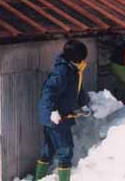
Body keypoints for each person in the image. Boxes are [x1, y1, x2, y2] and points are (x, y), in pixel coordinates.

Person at [35, 40, 91, 181]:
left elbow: (77, 89)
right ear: (75, 57)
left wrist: (83, 104)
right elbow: (49, 91)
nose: (84, 60)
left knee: (49, 148)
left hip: (60, 115)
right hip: (56, 117)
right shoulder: (62, 71)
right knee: (66, 151)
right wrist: (53, 111)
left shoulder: (72, 69)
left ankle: (38, 178)